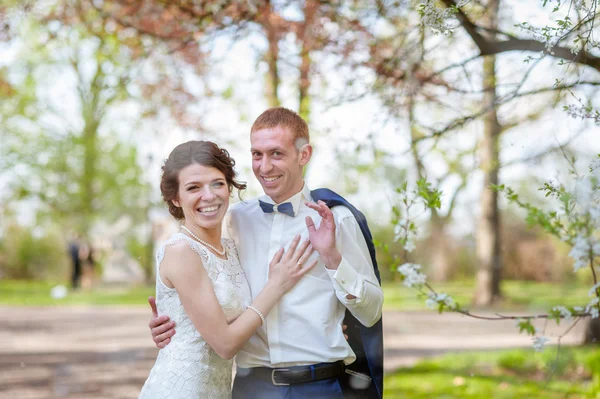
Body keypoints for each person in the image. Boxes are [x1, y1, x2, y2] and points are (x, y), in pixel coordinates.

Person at [149, 107, 384, 398]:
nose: (264, 167)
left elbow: (371, 313)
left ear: (304, 155)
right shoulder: (233, 221)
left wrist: (334, 260)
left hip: (320, 386)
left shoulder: (336, 219)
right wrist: (173, 322)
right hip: (251, 388)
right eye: (257, 154)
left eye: (276, 154)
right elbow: (202, 282)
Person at [138, 140, 318, 398]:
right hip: (180, 389)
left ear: (229, 186)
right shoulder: (182, 251)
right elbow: (225, 344)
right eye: (193, 188)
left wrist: (320, 322)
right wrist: (276, 285)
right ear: (176, 199)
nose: (209, 195)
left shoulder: (230, 248)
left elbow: (238, 318)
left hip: (218, 390)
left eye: (217, 183)